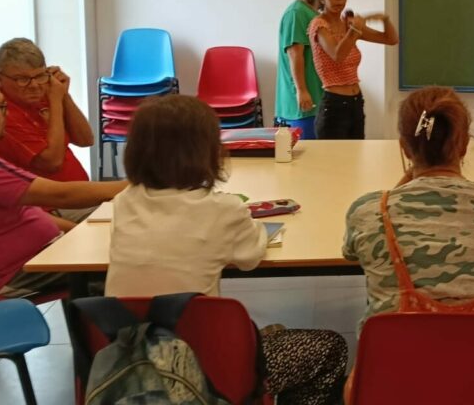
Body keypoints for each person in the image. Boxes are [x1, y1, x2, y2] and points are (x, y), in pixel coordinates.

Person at [104, 94, 346, 403]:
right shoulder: (223, 209)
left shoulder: (124, 203)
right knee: (329, 347)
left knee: (261, 332)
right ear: (207, 151)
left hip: (127, 368)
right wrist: (246, 220)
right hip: (204, 372)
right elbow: (251, 256)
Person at [343, 86, 474, 323]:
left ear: (404, 148)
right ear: (464, 145)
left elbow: (350, 253)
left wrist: (404, 182)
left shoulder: (368, 211)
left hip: (397, 347)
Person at [0, 78, 126, 303]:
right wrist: (136, 184)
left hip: (36, 256)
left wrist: (78, 233)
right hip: (24, 270)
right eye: (1, 107)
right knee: (133, 261)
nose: (6, 114)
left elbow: (27, 212)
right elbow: (62, 195)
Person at [0, 38, 94, 183]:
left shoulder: (48, 93)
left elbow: (85, 140)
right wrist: (56, 101)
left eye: (39, 76)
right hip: (46, 196)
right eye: (22, 79)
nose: (34, 85)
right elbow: (52, 162)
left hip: (78, 190)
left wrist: (64, 95)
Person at [308, 0, 398, 139]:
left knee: (356, 153)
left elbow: (391, 39)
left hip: (356, 101)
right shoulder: (319, 25)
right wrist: (355, 29)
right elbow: (337, 55)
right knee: (334, 155)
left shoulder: (347, 24)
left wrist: (385, 20)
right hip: (334, 105)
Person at [275, 0, 325, 139]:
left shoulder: (313, 14)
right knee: (308, 152)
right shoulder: (296, 13)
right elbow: (295, 54)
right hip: (302, 105)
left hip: (315, 100)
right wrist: (301, 90)